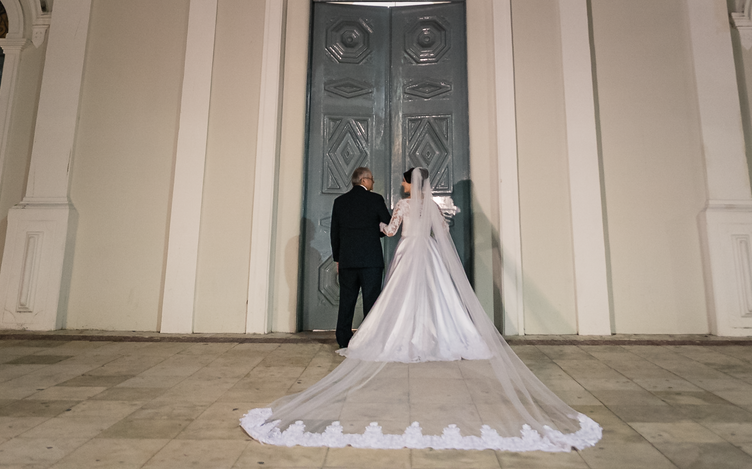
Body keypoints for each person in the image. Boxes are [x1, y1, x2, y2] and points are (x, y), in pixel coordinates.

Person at [241, 168, 602, 452]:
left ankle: (392, 336)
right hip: (427, 254)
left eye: (404, 179)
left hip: (405, 252)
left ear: (409, 183)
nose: (401, 183)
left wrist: (375, 226)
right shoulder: (431, 205)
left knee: (396, 299)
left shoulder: (401, 204)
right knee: (436, 297)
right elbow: (441, 233)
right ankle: (441, 335)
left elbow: (391, 229)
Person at [330, 166, 391, 349]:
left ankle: (344, 339)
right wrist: (374, 233)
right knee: (371, 301)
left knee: (346, 300)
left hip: (347, 260)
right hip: (370, 260)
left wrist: (338, 259)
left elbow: (335, 233)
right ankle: (369, 339)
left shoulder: (340, 201)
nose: (373, 182)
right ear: (364, 180)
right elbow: (387, 223)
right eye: (371, 179)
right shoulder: (375, 199)